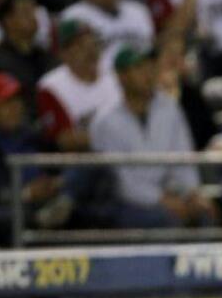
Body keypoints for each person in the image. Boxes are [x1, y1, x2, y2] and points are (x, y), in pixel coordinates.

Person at [88, 46, 213, 228]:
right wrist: (163, 200)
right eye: (138, 68)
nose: (147, 74)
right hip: (123, 202)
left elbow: (183, 158)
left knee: (205, 212)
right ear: (121, 77)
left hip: (167, 192)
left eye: (149, 67)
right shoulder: (105, 120)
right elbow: (121, 182)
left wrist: (192, 194)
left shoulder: (169, 107)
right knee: (166, 219)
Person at [0, 73, 66, 246]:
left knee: (91, 173)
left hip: (51, 202)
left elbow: (59, 167)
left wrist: (56, 183)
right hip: (9, 209)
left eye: (17, 101)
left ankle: (59, 207)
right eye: (7, 102)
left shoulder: (34, 136)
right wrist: (25, 193)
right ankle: (41, 218)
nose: (16, 108)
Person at [36, 20, 120, 152]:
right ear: (63, 53)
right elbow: (65, 141)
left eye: (92, 41)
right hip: (85, 161)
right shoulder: (50, 86)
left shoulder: (115, 75)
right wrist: (119, 134)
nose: (90, 49)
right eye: (80, 45)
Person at [0, 0, 54, 116]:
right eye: (26, 12)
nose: (33, 17)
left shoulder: (45, 54)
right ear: (8, 21)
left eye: (33, 11)